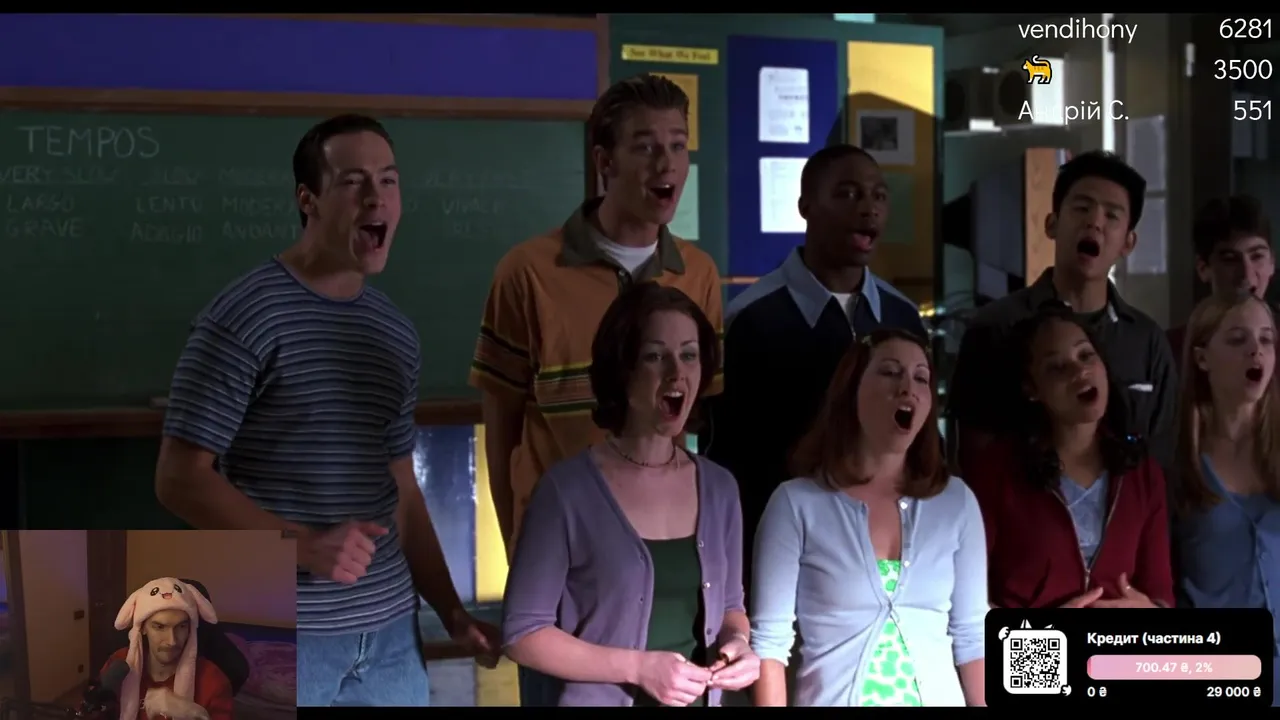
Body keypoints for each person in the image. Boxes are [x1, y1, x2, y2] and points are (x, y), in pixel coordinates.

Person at [154, 114, 498, 707]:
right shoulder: (244, 317)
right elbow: (178, 479)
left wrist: (450, 609)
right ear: (307, 200)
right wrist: (303, 545)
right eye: (353, 181)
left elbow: (402, 490)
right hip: (282, 637)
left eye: (388, 181)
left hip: (390, 640)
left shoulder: (394, 332)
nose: (376, 198)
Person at [470, 74, 723, 706]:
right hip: (563, 566)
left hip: (668, 560)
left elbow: (700, 421)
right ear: (605, 161)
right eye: (646, 146)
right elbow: (501, 427)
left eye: (678, 145)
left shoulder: (698, 273)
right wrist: (521, 548)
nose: (666, 163)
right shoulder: (529, 273)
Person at [502, 282, 757, 707]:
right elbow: (522, 633)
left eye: (689, 355)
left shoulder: (720, 488)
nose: (676, 372)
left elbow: (732, 606)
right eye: (655, 356)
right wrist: (638, 668)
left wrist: (739, 644)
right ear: (623, 370)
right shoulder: (565, 491)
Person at [705, 144, 926, 597]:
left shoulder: (901, 316)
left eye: (879, 196)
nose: (868, 208)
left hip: (885, 550)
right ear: (805, 205)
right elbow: (732, 460)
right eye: (847, 194)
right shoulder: (753, 319)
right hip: (784, 552)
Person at [751, 329, 986, 707]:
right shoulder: (796, 504)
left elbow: (973, 636)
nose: (908, 388)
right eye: (890, 372)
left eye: (921, 378)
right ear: (852, 388)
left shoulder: (955, 502)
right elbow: (769, 645)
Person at [950, 151, 1177, 476]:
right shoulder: (996, 327)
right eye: (1082, 208)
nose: (1094, 222)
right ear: (1052, 224)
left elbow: (1160, 462)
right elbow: (973, 460)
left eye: (1112, 215)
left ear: (1128, 243)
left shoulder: (1147, 341)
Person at [966, 303, 1174, 610]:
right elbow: (967, 607)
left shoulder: (1142, 473)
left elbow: (1161, 596)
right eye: (1057, 367)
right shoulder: (995, 472)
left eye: (1086, 355)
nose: (1080, 371)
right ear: (1031, 388)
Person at [1171, 293, 1280, 703]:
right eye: (1237, 339)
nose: (1256, 350)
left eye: (1266, 339)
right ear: (1202, 359)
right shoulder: (1176, 461)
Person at [1167, 195, 1274, 365]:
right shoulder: (1170, 350)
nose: (1246, 275)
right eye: (1230, 259)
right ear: (1203, 268)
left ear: (1272, 263)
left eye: (1257, 256)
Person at [107, 578, 232, 720]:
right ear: (142, 628)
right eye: (159, 627)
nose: (172, 641)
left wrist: (193, 713)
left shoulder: (213, 681)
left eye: (181, 627)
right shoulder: (119, 665)